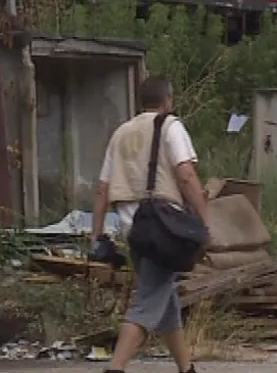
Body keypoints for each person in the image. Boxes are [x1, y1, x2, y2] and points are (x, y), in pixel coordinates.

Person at [90, 75, 211, 373]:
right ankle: (115, 368)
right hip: (164, 229)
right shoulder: (171, 126)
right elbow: (185, 174)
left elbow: (102, 189)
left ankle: (187, 368)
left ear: (140, 102)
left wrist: (97, 235)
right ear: (168, 100)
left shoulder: (120, 133)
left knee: (164, 300)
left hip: (135, 231)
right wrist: (205, 221)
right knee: (146, 305)